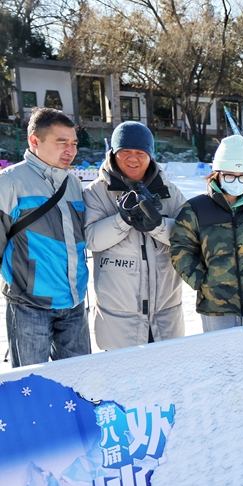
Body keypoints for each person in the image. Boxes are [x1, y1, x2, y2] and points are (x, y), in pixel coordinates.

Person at [170, 135, 243, 332]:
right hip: (216, 307)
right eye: (229, 175)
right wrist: (202, 281)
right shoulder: (196, 208)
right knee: (222, 360)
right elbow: (181, 247)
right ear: (216, 174)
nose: (237, 181)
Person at [83, 121, 187, 350]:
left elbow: (190, 236)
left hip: (166, 317)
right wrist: (122, 220)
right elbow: (91, 239)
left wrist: (158, 225)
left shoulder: (170, 191)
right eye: (125, 152)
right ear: (113, 153)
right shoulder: (97, 192)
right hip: (117, 322)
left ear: (150, 155)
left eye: (140, 152)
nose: (133, 158)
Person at [0, 108, 90, 367]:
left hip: (74, 303)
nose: (70, 151)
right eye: (61, 142)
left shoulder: (73, 184)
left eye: (73, 144)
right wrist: (20, 285)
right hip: (29, 306)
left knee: (80, 384)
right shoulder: (9, 183)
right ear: (34, 141)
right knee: (32, 386)